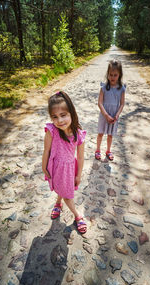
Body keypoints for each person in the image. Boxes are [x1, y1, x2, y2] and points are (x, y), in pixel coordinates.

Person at [42, 91, 87, 234]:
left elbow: (80, 157)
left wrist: (78, 174)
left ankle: (74, 213)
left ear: (71, 113)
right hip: (56, 167)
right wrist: (44, 167)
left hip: (69, 169)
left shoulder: (78, 134)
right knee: (63, 189)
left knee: (66, 193)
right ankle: (68, 209)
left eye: (63, 115)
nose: (60, 121)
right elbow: (46, 151)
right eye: (55, 117)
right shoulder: (52, 131)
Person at [95, 59, 126, 161]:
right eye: (110, 74)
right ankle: (98, 150)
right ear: (107, 74)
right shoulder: (104, 88)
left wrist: (117, 115)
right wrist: (106, 115)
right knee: (100, 133)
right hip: (104, 115)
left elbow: (122, 104)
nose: (112, 77)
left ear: (119, 75)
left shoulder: (121, 89)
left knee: (110, 135)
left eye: (115, 75)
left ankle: (108, 150)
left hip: (114, 116)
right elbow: (99, 103)